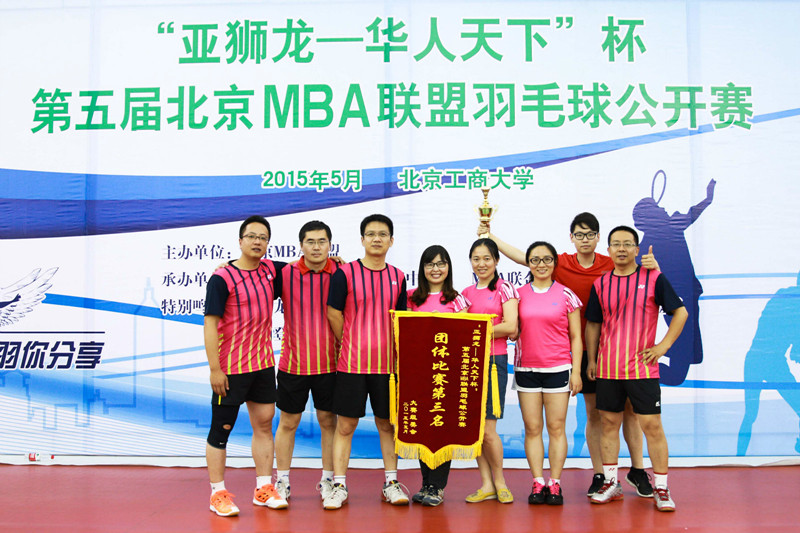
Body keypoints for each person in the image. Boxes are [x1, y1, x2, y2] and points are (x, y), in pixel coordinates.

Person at [480, 213, 657, 498]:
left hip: (611, 348)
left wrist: (653, 266)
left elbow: (638, 274)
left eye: (590, 234)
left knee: (630, 412)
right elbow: (525, 257)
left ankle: (637, 470)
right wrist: (490, 237)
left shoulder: (611, 262)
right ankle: (601, 475)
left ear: (598, 238)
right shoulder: (560, 263)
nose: (585, 239)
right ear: (571, 237)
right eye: (579, 234)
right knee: (595, 414)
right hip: (578, 353)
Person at [585, 225, 687, 512]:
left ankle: (662, 487)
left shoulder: (654, 278)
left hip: (642, 370)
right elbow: (593, 323)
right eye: (616, 244)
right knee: (608, 424)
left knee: (652, 426)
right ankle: (611, 482)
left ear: (636, 249)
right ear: (608, 250)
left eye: (627, 244)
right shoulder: (601, 284)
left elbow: (680, 312)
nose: (621, 249)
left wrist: (663, 346)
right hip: (608, 368)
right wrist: (592, 360)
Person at [203, 215, 288, 517]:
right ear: (240, 241)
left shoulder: (271, 271)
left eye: (263, 238)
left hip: (262, 365)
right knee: (221, 429)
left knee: (264, 424)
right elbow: (210, 324)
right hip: (230, 368)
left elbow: (306, 265)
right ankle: (217, 494)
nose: (257, 242)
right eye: (251, 236)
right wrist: (215, 369)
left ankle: (264, 488)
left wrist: (335, 261)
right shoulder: (222, 278)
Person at [324, 214, 408, 510]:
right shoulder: (345, 273)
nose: (376, 239)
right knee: (346, 426)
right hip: (351, 365)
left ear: (391, 241)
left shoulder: (399, 276)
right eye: (370, 234)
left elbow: (401, 320)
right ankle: (339, 485)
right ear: (362, 240)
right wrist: (349, 341)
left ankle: (391, 483)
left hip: (387, 368)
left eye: (382, 234)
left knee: (387, 425)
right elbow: (333, 312)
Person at [273, 221, 339, 506]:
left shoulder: (341, 272)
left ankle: (328, 480)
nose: (316, 247)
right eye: (310, 241)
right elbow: (250, 271)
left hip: (331, 365)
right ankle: (282, 481)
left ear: (330, 245)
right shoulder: (284, 273)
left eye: (322, 241)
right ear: (301, 245)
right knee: (288, 422)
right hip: (293, 364)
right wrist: (226, 265)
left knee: (328, 422)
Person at [515, 241, 582, 506]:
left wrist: (576, 372)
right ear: (528, 263)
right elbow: (511, 327)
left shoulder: (567, 294)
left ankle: (554, 482)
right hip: (526, 369)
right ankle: (537, 481)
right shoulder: (518, 294)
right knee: (532, 428)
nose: (541, 265)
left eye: (546, 259)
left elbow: (576, 337)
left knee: (556, 427)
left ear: (554, 263)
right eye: (535, 260)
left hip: (558, 369)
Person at [407, 245, 471, 507]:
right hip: (417, 375)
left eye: (441, 263)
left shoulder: (458, 300)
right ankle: (426, 483)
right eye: (430, 264)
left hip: (446, 376)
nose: (436, 269)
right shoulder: (411, 298)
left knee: (442, 431)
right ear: (422, 268)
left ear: (449, 268)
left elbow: (464, 337)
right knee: (422, 430)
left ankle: (438, 486)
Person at [460, 238, 519, 504]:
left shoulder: (505, 288)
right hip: (469, 362)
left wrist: (476, 331)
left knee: (488, 430)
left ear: (496, 260)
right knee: (475, 430)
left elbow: (511, 327)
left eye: (486, 258)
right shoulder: (466, 292)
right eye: (476, 259)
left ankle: (500, 482)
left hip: (494, 362)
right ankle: (486, 485)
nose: (481, 264)